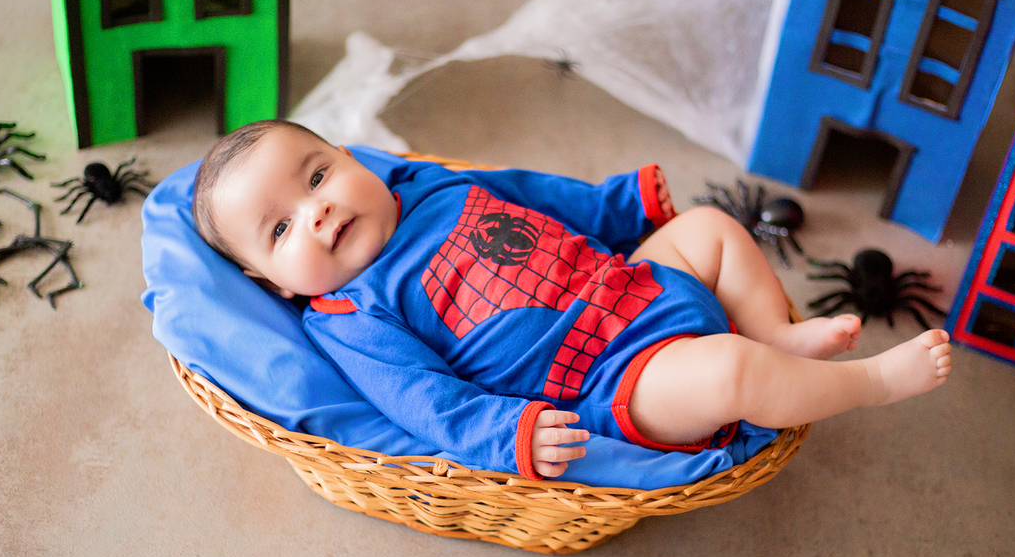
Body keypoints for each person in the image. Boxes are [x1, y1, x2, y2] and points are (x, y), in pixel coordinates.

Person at [193, 120, 952, 480]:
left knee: (712, 227)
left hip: (633, 285)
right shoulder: (348, 315)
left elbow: (541, 197)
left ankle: (774, 336)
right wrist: (509, 435)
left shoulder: (428, 185)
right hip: (604, 378)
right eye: (283, 227)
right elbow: (425, 404)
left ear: (354, 158)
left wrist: (624, 206)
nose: (317, 210)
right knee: (725, 374)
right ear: (278, 283)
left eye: (318, 175)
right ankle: (869, 383)